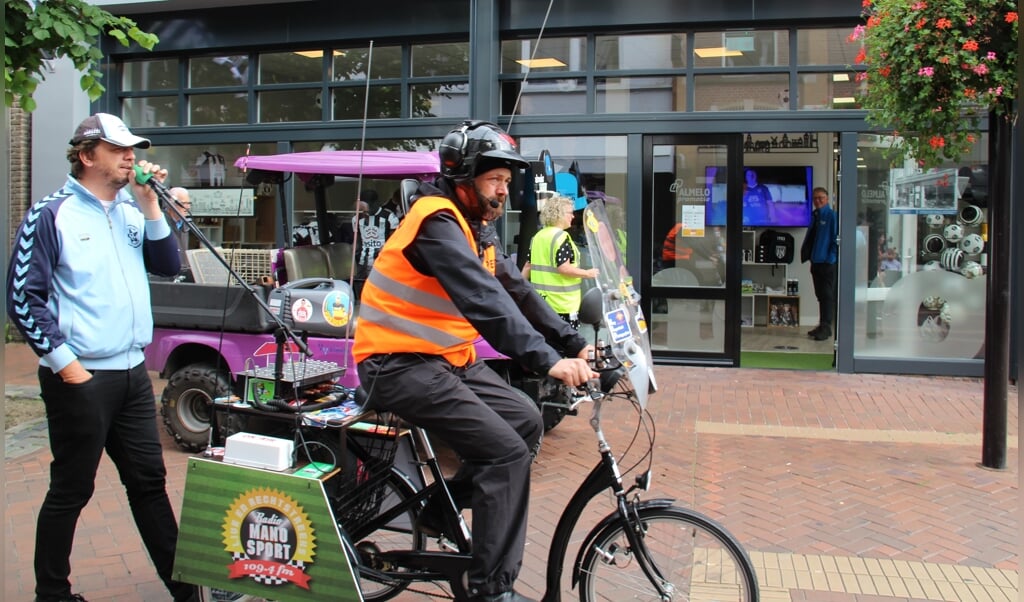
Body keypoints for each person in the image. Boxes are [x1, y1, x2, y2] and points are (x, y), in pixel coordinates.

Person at [352, 120, 596, 602]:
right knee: (504, 453)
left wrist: (574, 344)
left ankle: (439, 512)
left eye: (507, 181)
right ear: (462, 174)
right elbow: (485, 301)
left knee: (526, 421)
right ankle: (491, 589)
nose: (503, 190)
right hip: (394, 365)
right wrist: (546, 360)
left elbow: (518, 291)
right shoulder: (435, 222)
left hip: (444, 361)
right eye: (494, 180)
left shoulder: (475, 231)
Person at [5, 113, 199, 602]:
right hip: (82, 375)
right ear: (87, 155)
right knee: (72, 488)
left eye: (132, 148)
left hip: (132, 372)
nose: (130, 156)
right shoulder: (51, 214)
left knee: (149, 483)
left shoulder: (132, 211)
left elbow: (169, 266)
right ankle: (52, 593)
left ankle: (185, 590)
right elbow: (23, 299)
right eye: (118, 149)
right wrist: (66, 366)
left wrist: (152, 206)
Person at [521, 194, 599, 329]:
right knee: (566, 346)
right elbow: (564, 268)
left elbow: (528, 266)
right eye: (570, 213)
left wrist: (519, 290)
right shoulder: (561, 237)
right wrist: (588, 273)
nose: (573, 216)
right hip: (562, 306)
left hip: (540, 304)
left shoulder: (538, 236)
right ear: (559, 214)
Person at [801, 186, 838, 341]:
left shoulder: (831, 216)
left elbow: (836, 239)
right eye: (815, 198)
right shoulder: (815, 216)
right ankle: (823, 325)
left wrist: (830, 259)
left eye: (821, 198)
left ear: (827, 198)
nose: (817, 201)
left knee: (827, 295)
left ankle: (826, 327)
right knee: (821, 296)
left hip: (826, 263)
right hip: (816, 262)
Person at [355, 190, 401, 277]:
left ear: (376, 202)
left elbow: (394, 240)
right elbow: (357, 241)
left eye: (370, 206)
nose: (367, 209)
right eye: (364, 206)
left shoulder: (389, 217)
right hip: (362, 263)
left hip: (383, 262)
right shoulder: (357, 218)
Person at [165, 186, 193, 279]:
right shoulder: (162, 222)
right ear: (171, 203)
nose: (187, 207)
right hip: (166, 276)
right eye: (183, 203)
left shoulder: (185, 223)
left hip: (183, 274)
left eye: (189, 203)